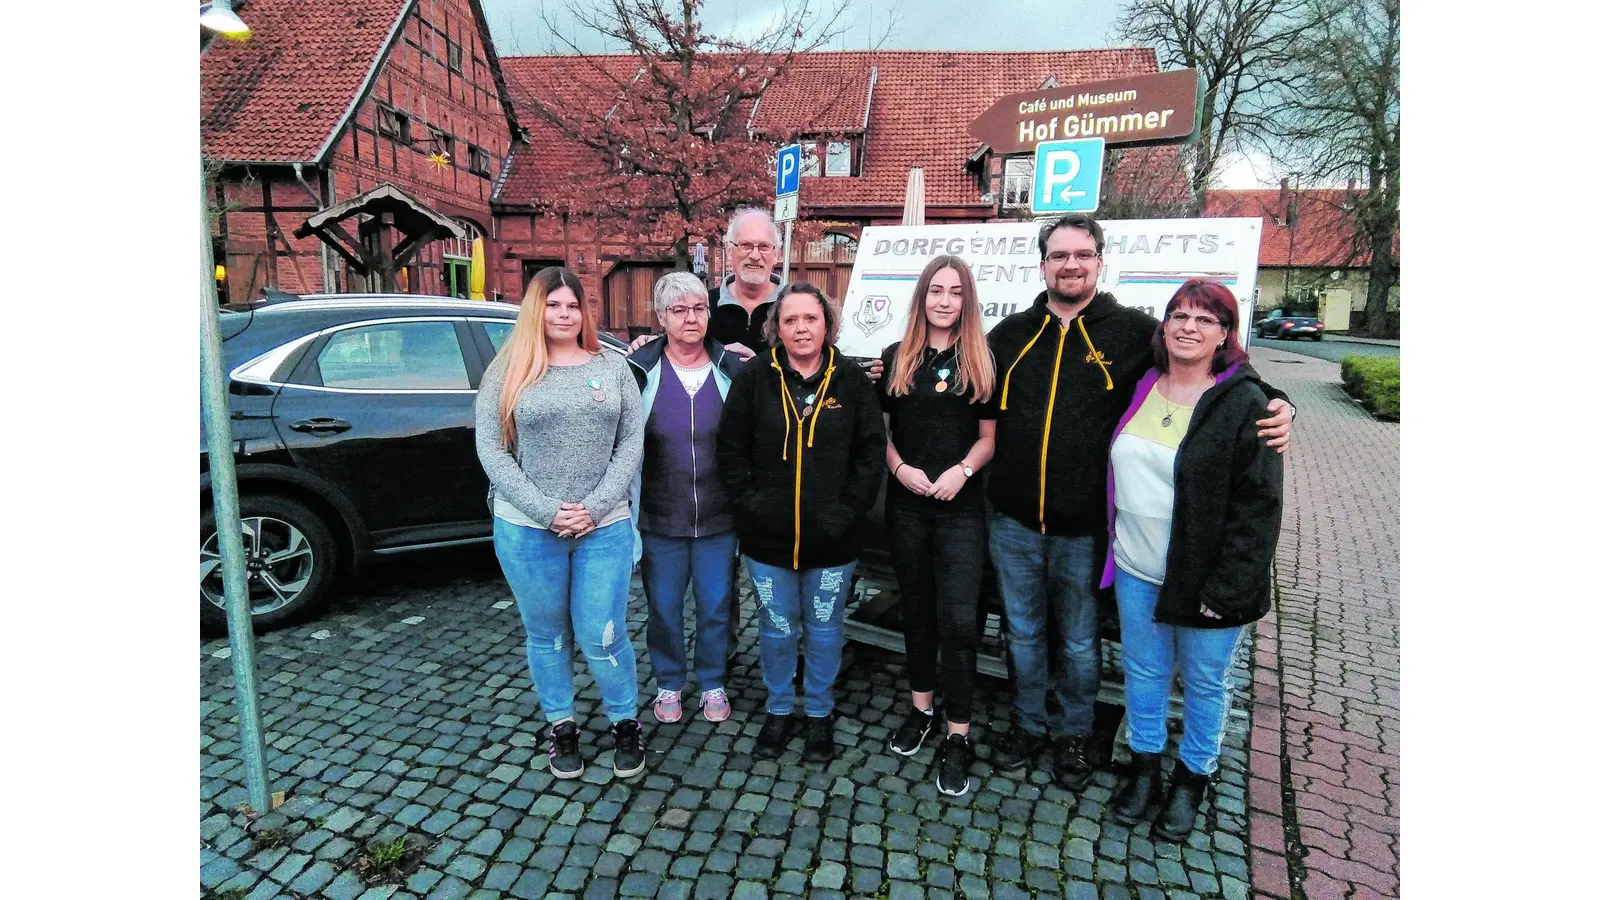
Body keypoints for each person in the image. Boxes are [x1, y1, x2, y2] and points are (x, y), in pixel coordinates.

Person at [983, 213, 1296, 789]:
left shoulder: (1132, 332)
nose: (1070, 264)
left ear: (1101, 260)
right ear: (1043, 263)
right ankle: (1027, 725)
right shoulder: (1010, 335)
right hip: (1013, 521)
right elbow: (956, 375)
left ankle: (1075, 737)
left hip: (1085, 530)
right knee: (1021, 633)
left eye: (1082, 254)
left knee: (1079, 641)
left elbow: (1212, 371)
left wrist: (1278, 402)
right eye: (1059, 255)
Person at [1103, 279, 1283, 841]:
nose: (1188, 326)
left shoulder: (1245, 404)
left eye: (1205, 319)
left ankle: (1192, 779)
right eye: (1178, 315)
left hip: (1205, 580)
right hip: (1136, 568)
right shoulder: (1142, 384)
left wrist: (1227, 589)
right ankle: (1145, 767)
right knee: (1146, 673)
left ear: (1225, 334)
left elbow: (1259, 508)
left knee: (1205, 684)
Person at [475, 266, 647, 780]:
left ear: (583, 312)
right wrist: (547, 511)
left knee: (603, 633)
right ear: (536, 309)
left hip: (605, 525)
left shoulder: (612, 366)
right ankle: (562, 725)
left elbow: (631, 442)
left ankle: (624, 722)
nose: (564, 314)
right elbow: (492, 450)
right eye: (553, 305)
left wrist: (593, 507)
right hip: (528, 530)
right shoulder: (507, 370)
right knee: (547, 635)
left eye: (573, 305)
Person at [716, 283, 886, 762]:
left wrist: (847, 513)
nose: (801, 328)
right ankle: (777, 709)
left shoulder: (851, 379)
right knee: (774, 626)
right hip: (768, 539)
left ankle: (818, 713)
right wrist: (752, 505)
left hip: (833, 540)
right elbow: (731, 449)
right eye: (790, 320)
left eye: (810, 319)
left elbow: (870, 453)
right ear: (777, 328)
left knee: (826, 628)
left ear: (827, 324)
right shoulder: (755, 377)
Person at [876, 256, 996, 797]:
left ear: (966, 301)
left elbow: (989, 438)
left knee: (959, 621)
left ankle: (958, 733)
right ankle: (922, 709)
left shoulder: (982, 362)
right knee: (917, 614)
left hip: (961, 511)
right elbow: (879, 433)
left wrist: (963, 470)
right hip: (907, 507)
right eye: (935, 291)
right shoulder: (895, 359)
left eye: (955, 292)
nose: (944, 300)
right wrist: (899, 468)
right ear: (922, 297)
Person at [626, 273, 746, 725]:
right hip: (660, 516)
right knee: (663, 607)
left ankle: (713, 681)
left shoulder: (731, 368)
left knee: (716, 605)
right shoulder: (639, 370)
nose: (691, 317)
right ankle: (668, 683)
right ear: (661, 318)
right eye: (679, 310)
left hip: (720, 516)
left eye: (698, 308)